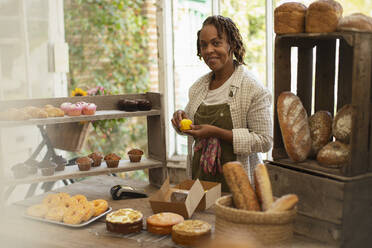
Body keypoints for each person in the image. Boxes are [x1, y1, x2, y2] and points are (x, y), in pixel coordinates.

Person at [171, 15, 272, 192]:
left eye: (216, 43)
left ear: (231, 44)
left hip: (236, 188)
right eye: (204, 45)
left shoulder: (252, 88)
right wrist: (180, 119)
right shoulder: (198, 87)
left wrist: (217, 133)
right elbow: (191, 127)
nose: (209, 50)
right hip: (199, 183)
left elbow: (264, 141)